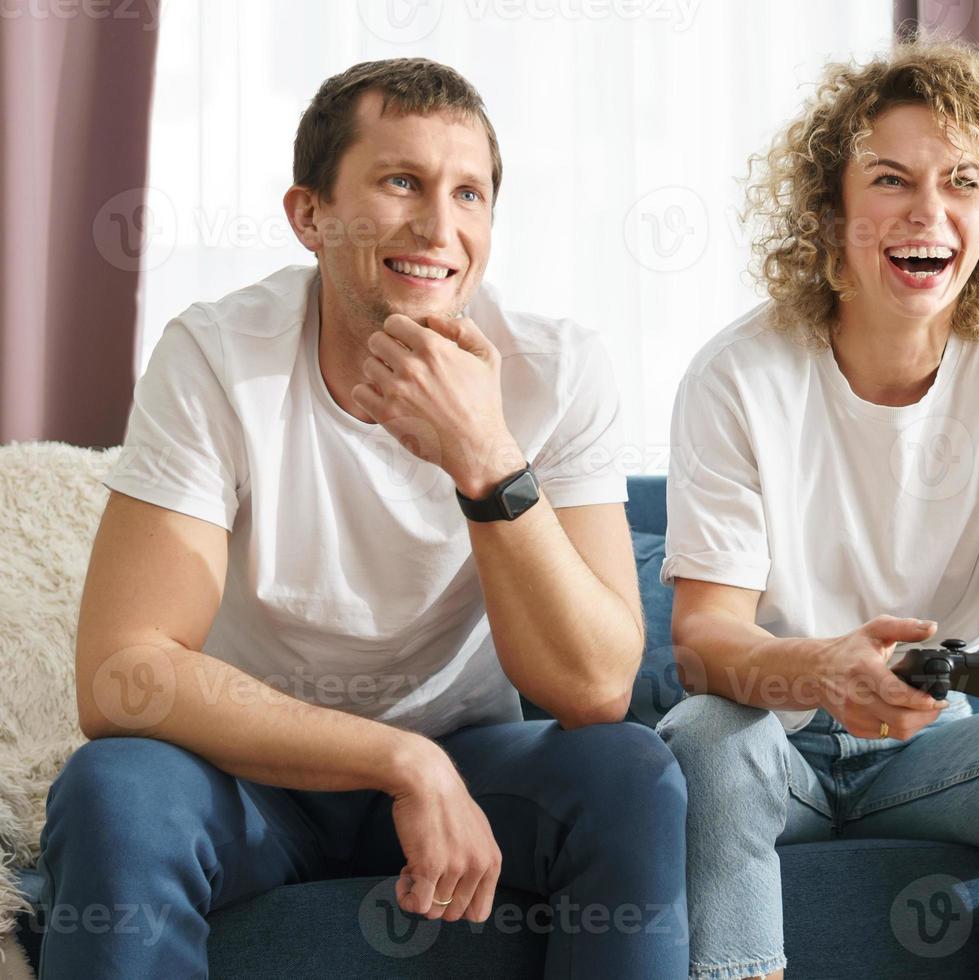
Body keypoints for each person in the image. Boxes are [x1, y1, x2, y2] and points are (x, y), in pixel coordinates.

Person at [38, 57, 687, 978]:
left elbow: (593, 688)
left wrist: (486, 459)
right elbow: (123, 675)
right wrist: (398, 762)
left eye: (470, 194)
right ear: (310, 215)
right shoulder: (218, 357)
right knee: (111, 790)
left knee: (633, 774)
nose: (439, 227)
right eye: (400, 183)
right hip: (255, 773)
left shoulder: (558, 369)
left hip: (476, 759)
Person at [655, 42, 979, 980]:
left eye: (963, 183)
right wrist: (822, 670)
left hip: (935, 753)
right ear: (831, 213)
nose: (928, 213)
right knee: (698, 735)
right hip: (778, 741)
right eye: (890, 179)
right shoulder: (738, 374)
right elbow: (703, 640)